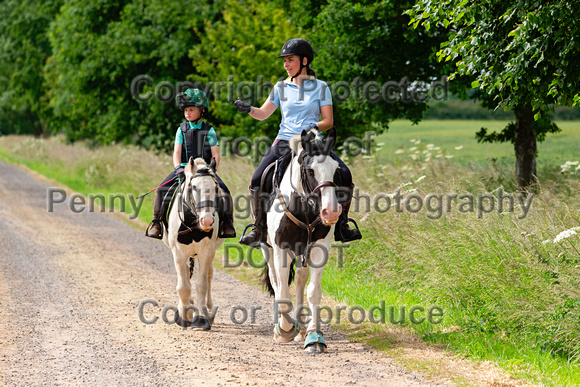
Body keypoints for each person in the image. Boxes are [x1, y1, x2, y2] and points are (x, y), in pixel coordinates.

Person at [231, 38, 361, 247]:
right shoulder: (280, 87)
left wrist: (312, 129)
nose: (286, 64)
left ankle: (343, 225)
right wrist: (248, 109)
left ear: (304, 61)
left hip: (312, 141)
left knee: (344, 173)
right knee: (257, 179)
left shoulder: (321, 87)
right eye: (284, 61)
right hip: (285, 140)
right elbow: (264, 114)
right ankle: (259, 227)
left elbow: (328, 121)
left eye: (290, 60)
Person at [146, 88, 236, 239]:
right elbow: (176, 152)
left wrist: (212, 170)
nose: (187, 113)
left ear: (202, 111)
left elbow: (216, 154)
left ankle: (227, 223)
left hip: (205, 171)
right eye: (186, 110)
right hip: (184, 169)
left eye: (191, 109)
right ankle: (156, 222)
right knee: (161, 190)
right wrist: (177, 168)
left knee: (225, 192)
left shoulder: (210, 130)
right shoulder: (181, 130)